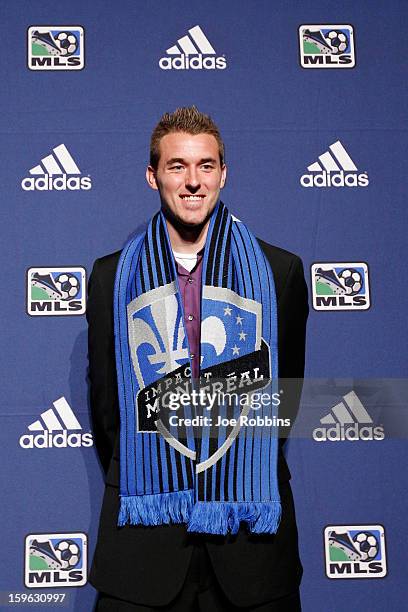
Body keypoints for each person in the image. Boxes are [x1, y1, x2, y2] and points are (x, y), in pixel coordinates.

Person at [87, 106, 308, 611]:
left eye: (206, 165)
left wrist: (231, 467)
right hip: (144, 550)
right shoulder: (109, 279)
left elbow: (283, 403)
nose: (192, 182)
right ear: (153, 177)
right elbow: (108, 413)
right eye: (176, 166)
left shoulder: (280, 273)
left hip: (250, 549)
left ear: (223, 174)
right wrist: (158, 467)